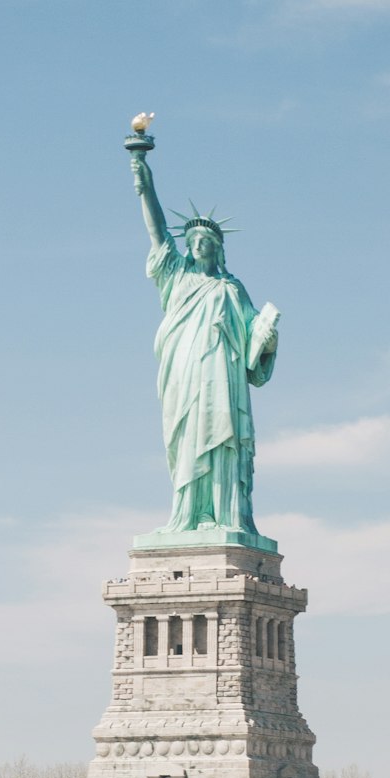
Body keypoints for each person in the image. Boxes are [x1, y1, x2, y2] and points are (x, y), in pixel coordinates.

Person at [130, 148, 278, 536]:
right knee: (186, 437)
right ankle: (188, 515)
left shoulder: (231, 288)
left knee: (223, 437)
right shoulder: (176, 276)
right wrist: (144, 182)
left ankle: (225, 515)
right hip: (184, 370)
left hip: (223, 376)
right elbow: (157, 230)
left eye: (205, 241)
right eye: (192, 239)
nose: (197, 245)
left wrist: (267, 340)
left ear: (217, 247)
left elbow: (251, 350)